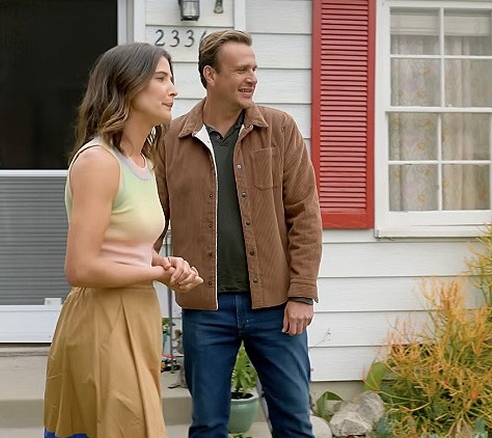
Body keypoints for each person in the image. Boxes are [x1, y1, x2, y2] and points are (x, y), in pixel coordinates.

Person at [154, 29, 323, 437]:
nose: (252, 78)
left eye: (254, 69)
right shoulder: (171, 140)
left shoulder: (280, 130)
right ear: (210, 75)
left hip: (277, 307)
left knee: (294, 423)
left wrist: (302, 293)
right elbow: (153, 222)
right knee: (208, 425)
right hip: (205, 309)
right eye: (241, 69)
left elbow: (305, 215)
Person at [43, 42, 203, 438]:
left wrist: (166, 263)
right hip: (102, 320)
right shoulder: (98, 162)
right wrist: (156, 274)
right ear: (127, 87)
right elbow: (80, 268)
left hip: (139, 313)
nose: (174, 90)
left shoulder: (144, 163)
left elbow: (130, 247)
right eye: (161, 79)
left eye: (172, 79)